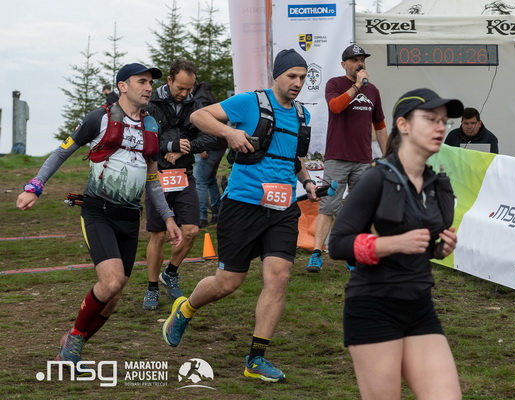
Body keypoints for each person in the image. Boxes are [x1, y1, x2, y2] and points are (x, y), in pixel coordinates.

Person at [161, 48, 317, 383]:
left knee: (279, 276)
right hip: (243, 204)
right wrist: (229, 132)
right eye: (291, 76)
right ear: (277, 75)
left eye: (303, 77)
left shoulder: (302, 114)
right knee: (228, 283)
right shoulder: (251, 102)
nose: (297, 83)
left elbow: (292, 157)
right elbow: (199, 116)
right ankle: (186, 309)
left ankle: (256, 359)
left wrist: (306, 181)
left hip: (283, 208)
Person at [16, 63, 183, 374]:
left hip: (130, 217)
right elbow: (61, 152)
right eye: (141, 81)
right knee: (112, 281)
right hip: (98, 210)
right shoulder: (99, 118)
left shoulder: (151, 125)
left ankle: (71, 348)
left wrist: (169, 217)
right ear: (122, 86)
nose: (148, 87)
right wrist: (34, 186)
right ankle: (74, 337)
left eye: (150, 82)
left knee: (114, 296)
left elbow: (152, 179)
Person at [328, 88, 463, 400]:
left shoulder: (436, 183)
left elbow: (423, 244)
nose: (440, 127)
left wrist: (439, 248)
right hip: (374, 307)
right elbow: (338, 244)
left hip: (419, 306)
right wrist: (393, 243)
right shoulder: (376, 178)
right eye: (430, 119)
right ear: (403, 125)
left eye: (443, 121)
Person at [143, 59, 219, 311]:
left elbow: (210, 136)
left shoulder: (194, 104)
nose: (185, 93)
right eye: (181, 88)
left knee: (191, 231)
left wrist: (187, 147)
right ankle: (152, 287)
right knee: (158, 235)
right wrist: (169, 146)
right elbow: (143, 138)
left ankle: (171, 273)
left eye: (189, 88)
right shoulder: (151, 103)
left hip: (184, 174)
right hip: (157, 176)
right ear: (169, 80)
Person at [306, 44, 387, 273]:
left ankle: (353, 253)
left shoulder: (373, 91)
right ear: (344, 65)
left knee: (360, 208)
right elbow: (335, 107)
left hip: (363, 159)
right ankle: (316, 253)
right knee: (328, 206)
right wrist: (357, 86)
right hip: (338, 157)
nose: (359, 63)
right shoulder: (335, 84)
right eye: (354, 60)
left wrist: (389, 155)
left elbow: (380, 126)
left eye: (362, 60)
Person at [194, 145, 227, 227]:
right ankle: (216, 213)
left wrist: (201, 148)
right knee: (210, 180)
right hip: (219, 146)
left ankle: (202, 217)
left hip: (208, 148)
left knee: (200, 182)